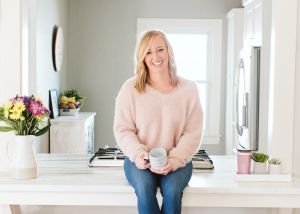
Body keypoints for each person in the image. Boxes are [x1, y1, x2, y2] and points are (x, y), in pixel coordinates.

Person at [113, 30, 203, 214]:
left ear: (168, 51)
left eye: (160, 49)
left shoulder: (189, 89)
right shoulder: (130, 89)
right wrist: (138, 154)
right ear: (142, 58)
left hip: (177, 160)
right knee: (145, 189)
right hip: (139, 161)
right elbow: (124, 130)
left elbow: (192, 132)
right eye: (148, 52)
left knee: (172, 190)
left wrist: (176, 159)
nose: (155, 56)